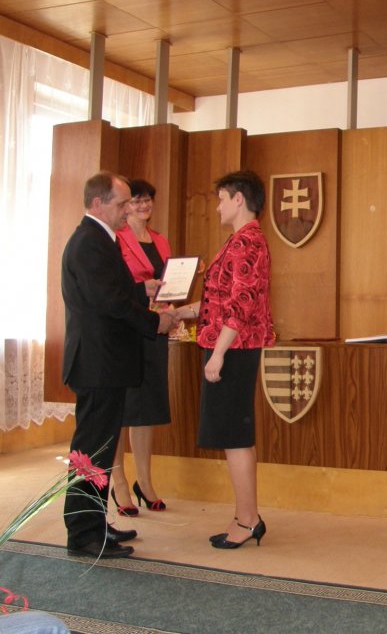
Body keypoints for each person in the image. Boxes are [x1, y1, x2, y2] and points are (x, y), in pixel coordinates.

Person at [61, 172, 174, 558]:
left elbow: (112, 292)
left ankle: (95, 524)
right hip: (97, 363)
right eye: (122, 203)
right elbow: (108, 302)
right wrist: (154, 321)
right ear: (98, 204)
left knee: (101, 449)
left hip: (105, 363)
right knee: (91, 451)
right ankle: (83, 534)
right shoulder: (89, 242)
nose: (129, 210)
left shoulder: (100, 239)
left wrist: (141, 290)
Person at [174, 170, 274, 549]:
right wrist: (179, 313)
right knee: (236, 436)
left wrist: (217, 354)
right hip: (231, 347)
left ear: (238, 199)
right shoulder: (240, 240)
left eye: (220, 199)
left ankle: (248, 520)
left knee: (235, 437)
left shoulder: (248, 242)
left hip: (234, 350)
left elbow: (241, 305)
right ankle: (246, 516)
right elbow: (218, 301)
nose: (217, 207)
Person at [110, 179, 173, 517]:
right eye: (136, 200)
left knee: (147, 407)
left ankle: (144, 482)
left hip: (154, 328)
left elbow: (170, 282)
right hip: (126, 329)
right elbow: (115, 287)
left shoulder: (161, 240)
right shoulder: (116, 238)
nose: (143, 205)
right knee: (122, 408)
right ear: (125, 205)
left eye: (148, 199)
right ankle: (119, 481)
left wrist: (171, 304)